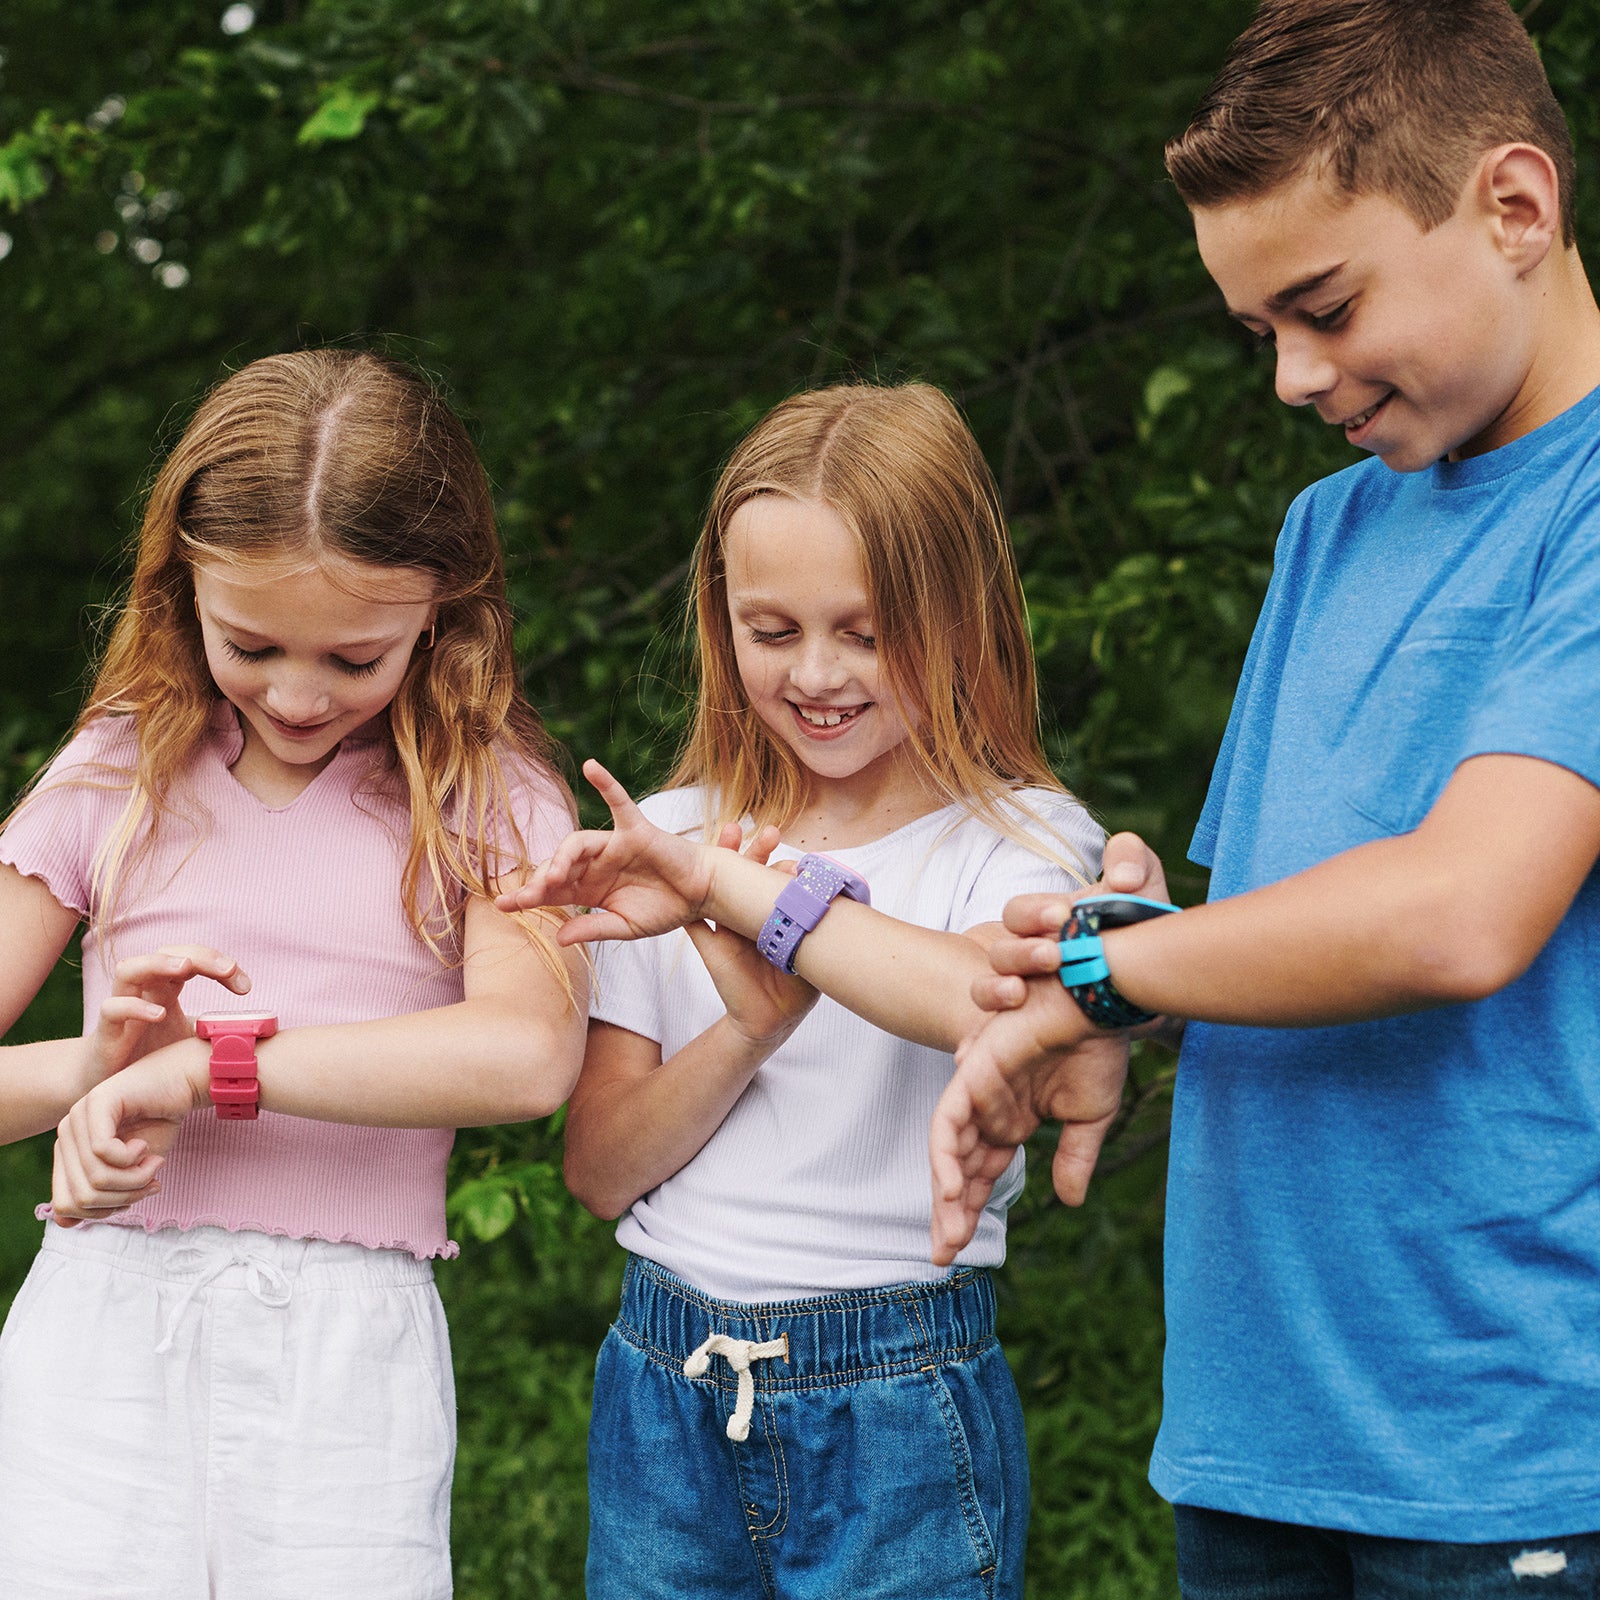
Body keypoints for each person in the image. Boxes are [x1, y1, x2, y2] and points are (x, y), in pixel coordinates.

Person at [929, 0, 1600, 1593]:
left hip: (1501, 1444)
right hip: (1257, 1430)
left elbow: (1454, 915)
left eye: (1326, 304)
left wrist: (1101, 973)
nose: (1294, 375)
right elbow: (1262, 931)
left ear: (1515, 205)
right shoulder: (1330, 533)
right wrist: (1126, 992)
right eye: (1259, 333)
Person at [496, 382, 1103, 1599]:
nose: (817, 674)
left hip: (897, 1394)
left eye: (866, 632)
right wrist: (750, 1025)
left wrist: (740, 893)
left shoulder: (1021, 840)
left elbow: (990, 999)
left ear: (958, 618)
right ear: (722, 623)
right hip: (666, 1380)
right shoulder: (664, 834)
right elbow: (601, 1168)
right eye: (772, 632)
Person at [0, 348, 587, 1598]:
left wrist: (212, 1076)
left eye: (356, 657)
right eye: (251, 644)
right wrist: (103, 1069)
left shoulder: (488, 793)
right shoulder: (119, 768)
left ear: (446, 607)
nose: (300, 693)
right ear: (183, 589)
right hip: (103, 1322)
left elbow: (526, 1051)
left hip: (345, 1342)